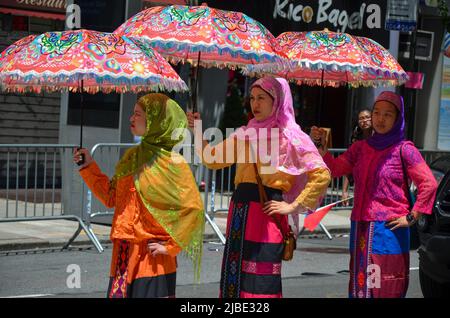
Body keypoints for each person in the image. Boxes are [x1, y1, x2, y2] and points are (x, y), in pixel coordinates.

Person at [187, 76, 331, 298]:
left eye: (262, 98)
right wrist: (197, 130)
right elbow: (211, 158)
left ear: (277, 101)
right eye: (252, 98)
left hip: (266, 214)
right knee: (235, 281)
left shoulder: (291, 137)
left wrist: (292, 206)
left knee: (261, 282)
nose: (255, 104)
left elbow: (321, 174)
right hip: (240, 214)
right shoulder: (245, 133)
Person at [73, 93, 204, 298]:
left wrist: (170, 246)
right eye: (133, 114)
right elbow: (111, 196)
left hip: (153, 257)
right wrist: (88, 166)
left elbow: (193, 209)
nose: (131, 119)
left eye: (137, 114)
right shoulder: (132, 158)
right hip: (124, 255)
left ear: (155, 121)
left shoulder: (174, 164)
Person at [310, 91, 438, 298]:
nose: (380, 118)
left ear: (398, 118)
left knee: (385, 284)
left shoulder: (404, 149)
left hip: (388, 230)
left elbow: (429, 183)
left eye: (387, 114)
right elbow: (334, 169)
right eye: (376, 112)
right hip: (360, 228)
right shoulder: (360, 148)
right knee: (360, 285)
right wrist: (322, 148)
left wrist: (413, 216)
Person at [341, 109, 373, 205]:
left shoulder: (381, 139)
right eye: (361, 119)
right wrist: (344, 191)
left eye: (367, 117)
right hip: (360, 188)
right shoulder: (356, 142)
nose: (364, 121)